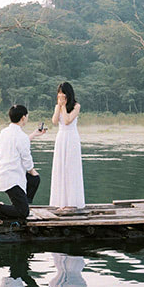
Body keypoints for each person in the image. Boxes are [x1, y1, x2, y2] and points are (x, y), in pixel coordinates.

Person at [0, 104, 47, 220]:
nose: (27, 118)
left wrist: (34, 134)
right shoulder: (21, 136)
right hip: (12, 177)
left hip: (3, 173)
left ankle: (23, 204)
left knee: (24, 204)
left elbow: (18, 142)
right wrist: (32, 171)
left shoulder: (4, 132)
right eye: (27, 116)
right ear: (23, 118)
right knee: (23, 212)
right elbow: (26, 158)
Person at [50, 82, 85, 212]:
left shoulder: (76, 106)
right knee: (60, 168)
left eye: (62, 92)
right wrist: (58, 107)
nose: (60, 95)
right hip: (61, 138)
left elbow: (67, 120)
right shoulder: (57, 106)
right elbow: (54, 121)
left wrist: (64, 107)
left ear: (68, 94)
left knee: (71, 167)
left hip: (71, 138)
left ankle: (72, 201)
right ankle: (60, 201)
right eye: (59, 92)